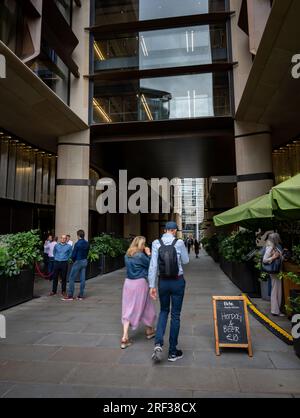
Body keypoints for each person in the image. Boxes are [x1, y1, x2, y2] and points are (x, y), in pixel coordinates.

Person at [148, 221, 189, 362]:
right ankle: (172, 352)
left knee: (163, 311)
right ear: (174, 230)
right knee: (176, 315)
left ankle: (158, 344)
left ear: (165, 230)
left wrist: (151, 286)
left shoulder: (156, 243)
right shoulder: (179, 243)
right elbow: (186, 260)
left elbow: (153, 265)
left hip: (163, 282)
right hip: (177, 281)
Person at [121, 236, 156, 349]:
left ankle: (125, 336)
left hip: (128, 283)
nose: (145, 246)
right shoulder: (140, 255)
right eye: (144, 244)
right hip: (139, 283)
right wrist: (149, 253)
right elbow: (151, 266)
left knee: (128, 307)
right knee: (147, 305)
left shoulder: (127, 254)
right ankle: (149, 330)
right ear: (141, 244)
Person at [62, 230, 90, 301]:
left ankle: (70, 295)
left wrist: (73, 260)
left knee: (71, 278)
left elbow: (74, 254)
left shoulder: (77, 243)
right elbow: (87, 252)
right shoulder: (87, 243)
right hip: (84, 261)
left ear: (78, 235)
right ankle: (81, 295)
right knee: (82, 279)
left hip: (78, 261)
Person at [263, 232, 284, 317]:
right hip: (274, 272)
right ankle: (275, 310)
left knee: (276, 290)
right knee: (276, 290)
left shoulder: (274, 247)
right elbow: (264, 260)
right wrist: (274, 257)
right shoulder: (271, 247)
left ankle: (276, 310)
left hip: (277, 271)